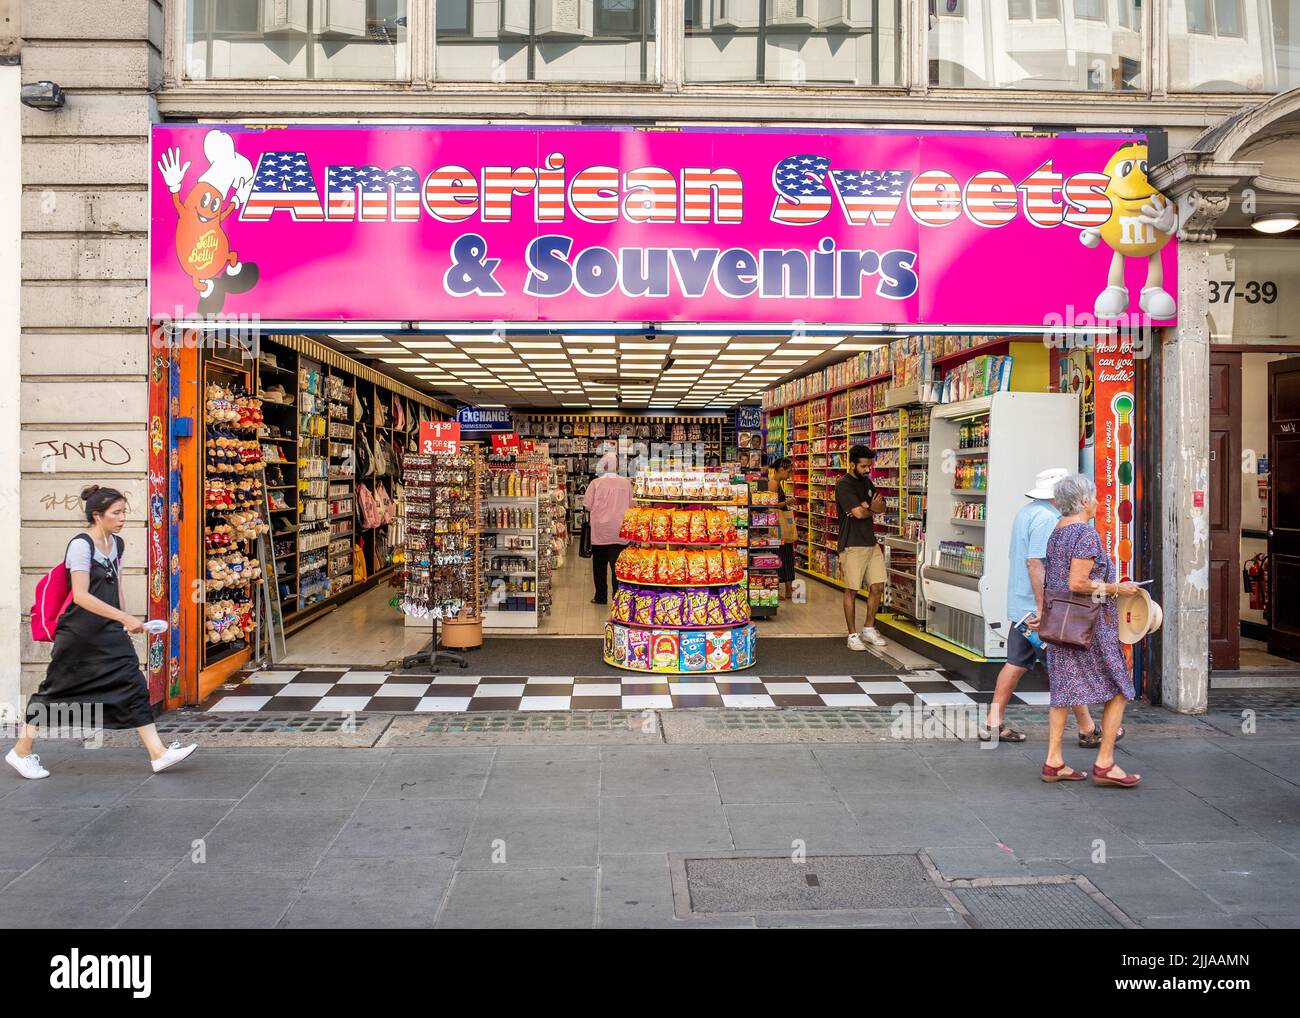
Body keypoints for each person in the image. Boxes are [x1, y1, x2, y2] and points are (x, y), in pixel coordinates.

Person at [7, 485, 197, 780]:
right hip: (78, 634)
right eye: (116, 513)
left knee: (133, 682)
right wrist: (123, 617)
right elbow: (81, 595)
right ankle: (21, 750)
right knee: (55, 692)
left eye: (123, 512)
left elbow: (115, 585)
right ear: (97, 515)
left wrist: (128, 621)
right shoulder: (80, 545)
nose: (122, 518)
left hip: (108, 631)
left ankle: (158, 753)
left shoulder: (117, 544)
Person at [982, 468, 1118, 747]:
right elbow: (1035, 564)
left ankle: (992, 723)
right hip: (1037, 609)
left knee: (1016, 663)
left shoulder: (1028, 511)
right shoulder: (1047, 518)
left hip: (1022, 606)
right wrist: (1044, 610)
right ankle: (1087, 729)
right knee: (1064, 667)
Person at [1039, 474, 1142, 786]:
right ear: (1084, 501)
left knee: (1063, 692)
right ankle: (1105, 762)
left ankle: (1054, 761)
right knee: (1121, 688)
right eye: (1094, 497)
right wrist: (1115, 589)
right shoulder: (1085, 534)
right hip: (1090, 627)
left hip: (1061, 624)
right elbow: (1078, 584)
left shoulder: (1057, 532)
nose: (1098, 502)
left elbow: (1055, 579)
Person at [836, 445, 888, 650]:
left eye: (869, 466)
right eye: (864, 466)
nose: (868, 470)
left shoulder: (867, 482)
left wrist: (870, 508)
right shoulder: (843, 485)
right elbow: (857, 513)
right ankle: (852, 635)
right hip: (852, 544)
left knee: (877, 586)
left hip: (870, 542)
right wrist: (869, 508)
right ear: (852, 464)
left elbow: (881, 506)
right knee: (851, 590)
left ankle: (869, 628)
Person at [582, 450, 633, 605]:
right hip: (620, 532)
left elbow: (587, 506)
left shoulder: (595, 483)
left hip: (600, 533)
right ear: (617, 466)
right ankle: (617, 599)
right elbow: (633, 506)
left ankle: (600, 596)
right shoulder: (626, 483)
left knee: (599, 567)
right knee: (618, 568)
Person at [768, 457, 797, 600]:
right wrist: (788, 501)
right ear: (781, 469)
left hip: (781, 525)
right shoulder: (773, 484)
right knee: (779, 556)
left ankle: (788, 589)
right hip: (777, 525)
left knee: (786, 555)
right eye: (788, 471)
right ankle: (776, 589)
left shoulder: (778, 483)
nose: (789, 474)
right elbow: (772, 505)